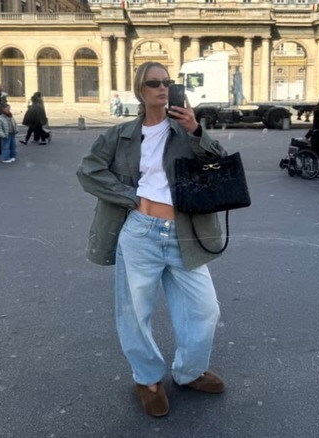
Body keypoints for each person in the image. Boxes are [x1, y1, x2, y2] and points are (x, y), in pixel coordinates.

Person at [76, 62, 228, 418]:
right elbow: (88, 171)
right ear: (140, 90)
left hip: (185, 233)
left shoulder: (186, 129)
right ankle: (146, 379)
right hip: (141, 231)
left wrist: (195, 131)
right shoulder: (120, 135)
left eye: (167, 83)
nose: (162, 88)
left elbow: (220, 165)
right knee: (134, 313)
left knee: (204, 309)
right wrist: (132, 198)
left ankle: (190, 372)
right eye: (154, 83)